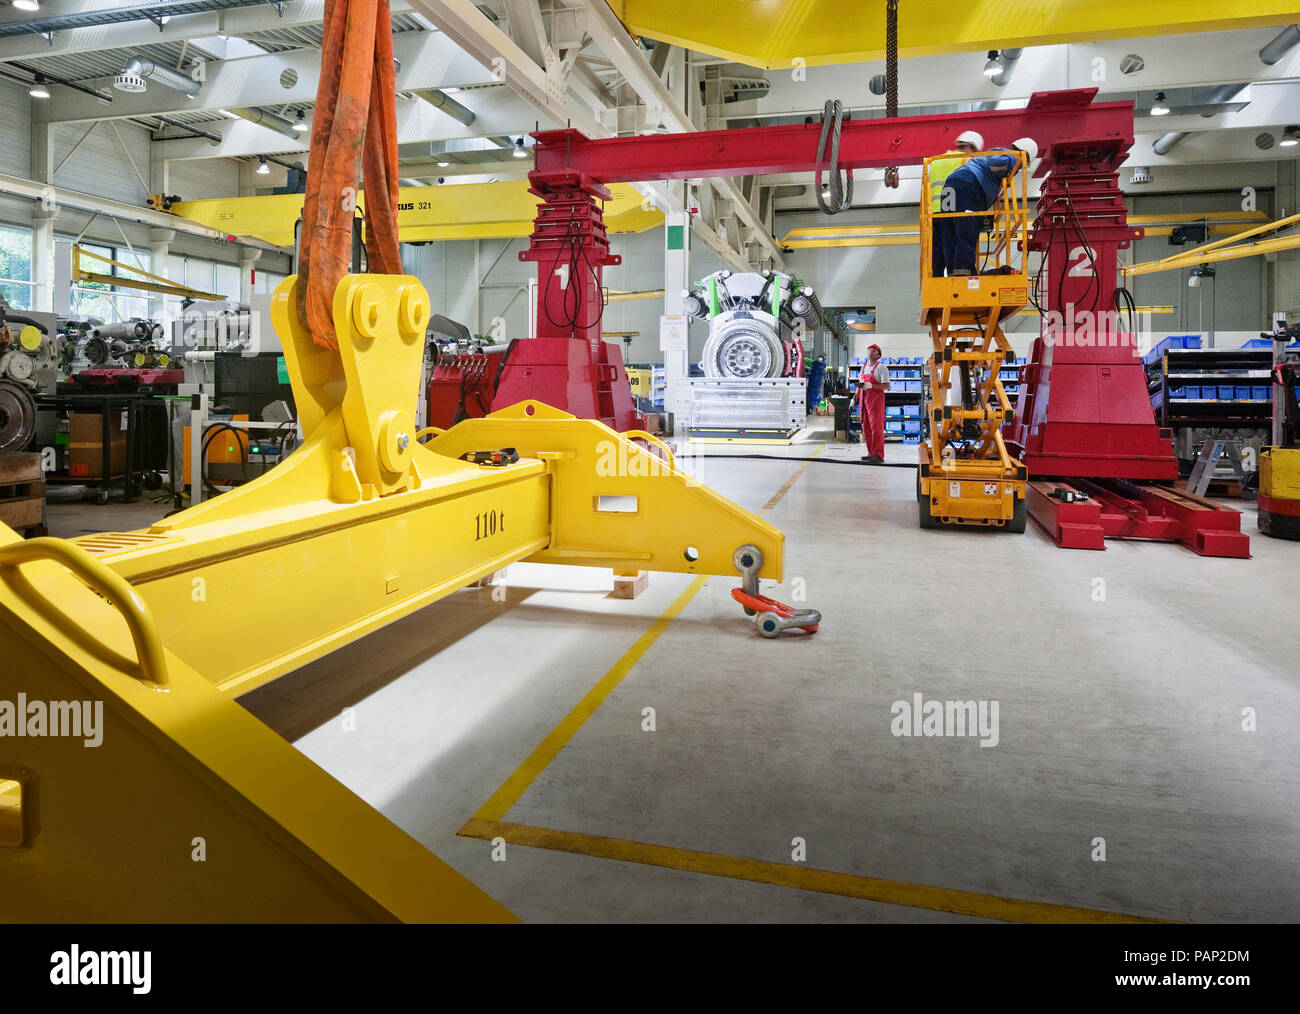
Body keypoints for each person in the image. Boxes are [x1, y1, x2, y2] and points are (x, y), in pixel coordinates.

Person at [934, 136, 1038, 277]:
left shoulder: (991, 154)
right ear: (1025, 155)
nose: (1020, 168)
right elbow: (996, 164)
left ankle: (954, 272)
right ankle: (964, 274)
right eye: (1023, 165)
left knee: (950, 230)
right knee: (966, 230)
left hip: (951, 184)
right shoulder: (1011, 157)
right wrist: (1008, 173)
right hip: (969, 185)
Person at [929, 131, 984, 278]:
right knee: (956, 243)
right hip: (952, 210)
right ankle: (956, 273)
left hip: (933, 213)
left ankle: (937, 277)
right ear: (971, 147)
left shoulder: (934, 162)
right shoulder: (965, 160)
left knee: (937, 250)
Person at [857, 343, 891, 463]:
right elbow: (860, 384)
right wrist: (854, 399)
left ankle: (879, 455)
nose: (870, 352)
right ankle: (871, 453)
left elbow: (887, 385)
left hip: (875, 401)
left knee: (876, 427)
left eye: (873, 350)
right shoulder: (863, 367)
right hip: (863, 400)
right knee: (865, 427)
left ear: (878, 355)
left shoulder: (881, 368)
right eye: (869, 350)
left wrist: (872, 385)